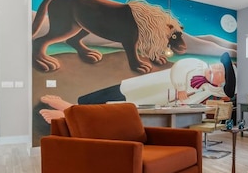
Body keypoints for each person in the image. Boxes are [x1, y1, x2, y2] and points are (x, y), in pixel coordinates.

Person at [39, 53, 236, 123]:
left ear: (221, 83)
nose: (218, 67)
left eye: (222, 70)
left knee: (116, 108)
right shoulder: (197, 64)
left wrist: (182, 99)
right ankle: (71, 107)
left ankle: (71, 113)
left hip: (152, 100)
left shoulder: (205, 91)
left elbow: (188, 102)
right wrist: (180, 87)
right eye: (220, 65)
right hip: (145, 87)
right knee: (113, 93)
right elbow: (179, 68)